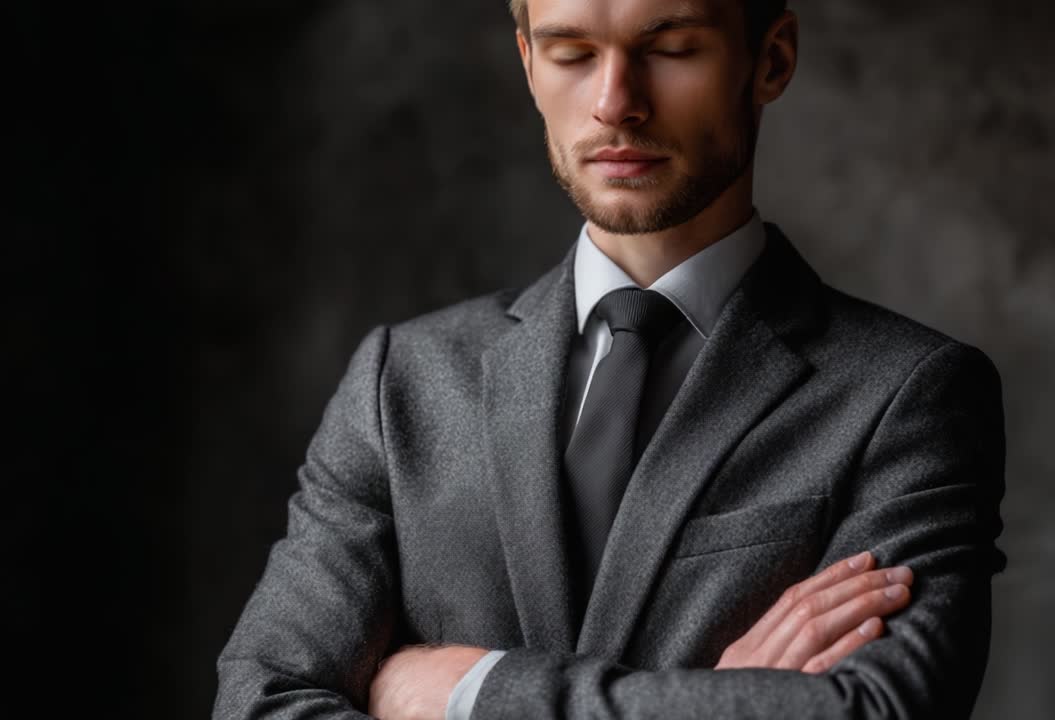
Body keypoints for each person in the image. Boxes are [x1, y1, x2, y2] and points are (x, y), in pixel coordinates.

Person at [214, 0, 1007, 718]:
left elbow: (875, 712)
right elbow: (261, 702)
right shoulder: (402, 383)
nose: (615, 102)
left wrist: (469, 693)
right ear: (527, 63)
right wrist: (720, 703)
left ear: (771, 60)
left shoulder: (909, 393)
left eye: (671, 49)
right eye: (572, 53)